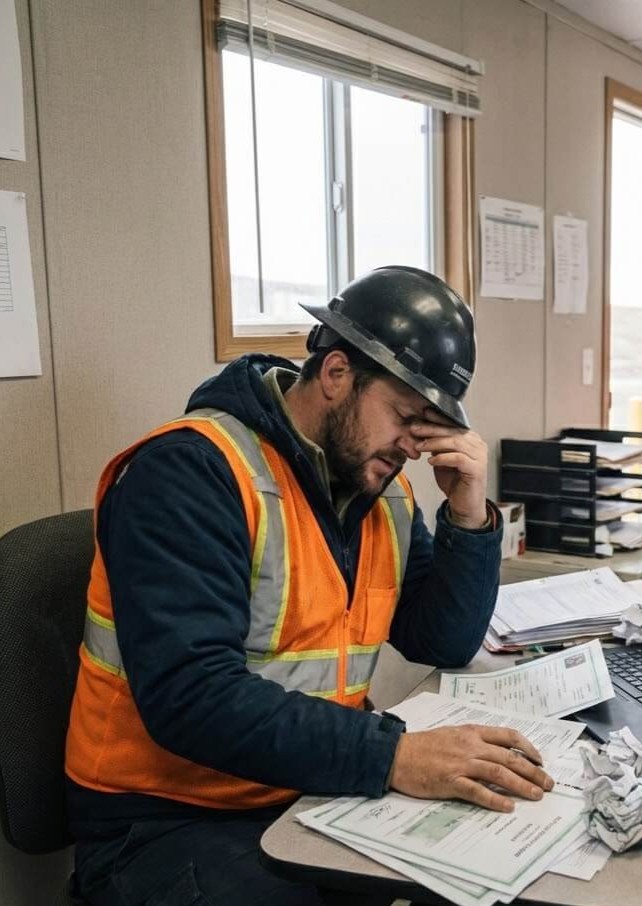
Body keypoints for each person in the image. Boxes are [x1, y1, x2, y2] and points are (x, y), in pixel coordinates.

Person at [64, 265, 554, 906]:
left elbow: (443, 637)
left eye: (432, 427)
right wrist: (393, 758)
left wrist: (467, 513)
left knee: (481, 878)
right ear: (336, 374)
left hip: (306, 788)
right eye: (407, 416)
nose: (414, 446)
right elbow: (192, 697)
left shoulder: (381, 490)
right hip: (165, 819)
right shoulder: (191, 474)